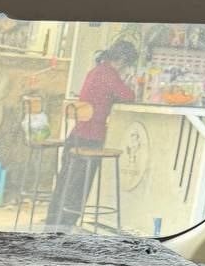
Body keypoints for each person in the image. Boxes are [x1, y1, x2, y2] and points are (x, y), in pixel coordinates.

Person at [45, 39, 138, 228]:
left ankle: (53, 224)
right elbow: (129, 96)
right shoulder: (109, 74)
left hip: (75, 137)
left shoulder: (96, 71)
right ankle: (66, 225)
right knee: (78, 188)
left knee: (64, 184)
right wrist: (127, 83)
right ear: (122, 60)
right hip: (91, 139)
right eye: (126, 64)